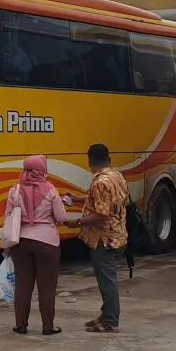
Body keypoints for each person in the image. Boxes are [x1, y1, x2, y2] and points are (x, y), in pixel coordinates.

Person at [65, 143, 128, 333]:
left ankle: (111, 321)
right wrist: (77, 199)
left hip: (104, 239)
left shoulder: (100, 182)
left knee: (107, 281)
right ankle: (106, 315)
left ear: (90, 161)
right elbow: (103, 202)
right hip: (118, 235)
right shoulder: (117, 176)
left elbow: (101, 214)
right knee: (107, 279)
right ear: (109, 158)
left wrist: (78, 222)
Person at [5, 154, 69, 335]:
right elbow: (61, 217)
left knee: (23, 284)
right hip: (47, 243)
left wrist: (7, 245)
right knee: (47, 287)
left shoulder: (15, 190)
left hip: (20, 242)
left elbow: (8, 217)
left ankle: (20, 324)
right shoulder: (51, 190)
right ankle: (48, 326)